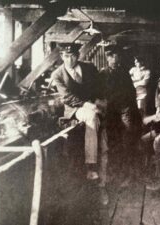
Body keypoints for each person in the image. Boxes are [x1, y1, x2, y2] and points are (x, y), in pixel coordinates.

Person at [52, 43, 109, 185]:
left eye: (72, 56)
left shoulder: (89, 67)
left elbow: (99, 85)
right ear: (61, 57)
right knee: (91, 117)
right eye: (66, 56)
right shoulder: (57, 74)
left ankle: (106, 175)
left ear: (78, 56)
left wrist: (99, 100)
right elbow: (67, 97)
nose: (70, 60)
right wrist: (88, 105)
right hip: (75, 109)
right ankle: (91, 165)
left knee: (104, 121)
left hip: (93, 103)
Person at [98, 44, 142, 186]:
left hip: (126, 111)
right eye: (115, 56)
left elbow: (132, 93)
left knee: (128, 141)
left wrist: (133, 111)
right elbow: (100, 94)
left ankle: (129, 175)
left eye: (119, 56)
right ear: (109, 57)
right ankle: (115, 174)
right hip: (111, 113)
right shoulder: (103, 74)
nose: (118, 59)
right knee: (113, 142)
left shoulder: (124, 72)